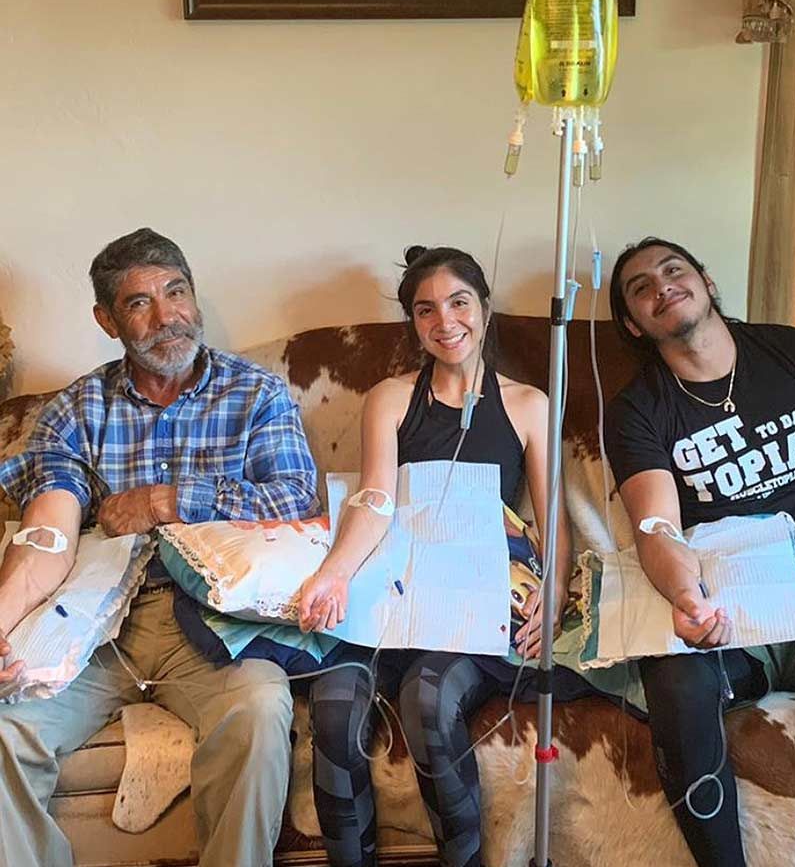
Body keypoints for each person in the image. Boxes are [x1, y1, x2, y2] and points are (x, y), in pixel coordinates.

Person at [0, 228, 319, 867]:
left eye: (176, 291)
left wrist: (166, 500)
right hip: (96, 624)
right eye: (139, 302)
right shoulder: (76, 409)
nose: (166, 315)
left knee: (260, 706)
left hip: (211, 623)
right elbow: (48, 532)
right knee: (5, 728)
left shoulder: (255, 394)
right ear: (107, 319)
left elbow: (295, 498)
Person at [604, 236, 795, 867]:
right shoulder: (637, 409)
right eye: (641, 287)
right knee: (676, 682)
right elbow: (656, 526)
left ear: (706, 281)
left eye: (674, 270)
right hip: (727, 620)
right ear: (634, 322)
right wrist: (687, 598)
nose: (662, 287)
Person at [296, 245, 595, 867]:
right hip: (396, 586)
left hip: (473, 596)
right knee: (333, 705)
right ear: (413, 322)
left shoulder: (528, 405)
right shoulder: (390, 397)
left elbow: (552, 518)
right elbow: (376, 498)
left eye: (459, 303)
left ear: (484, 309)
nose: (445, 322)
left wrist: (557, 587)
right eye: (426, 310)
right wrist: (334, 573)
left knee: (426, 697)